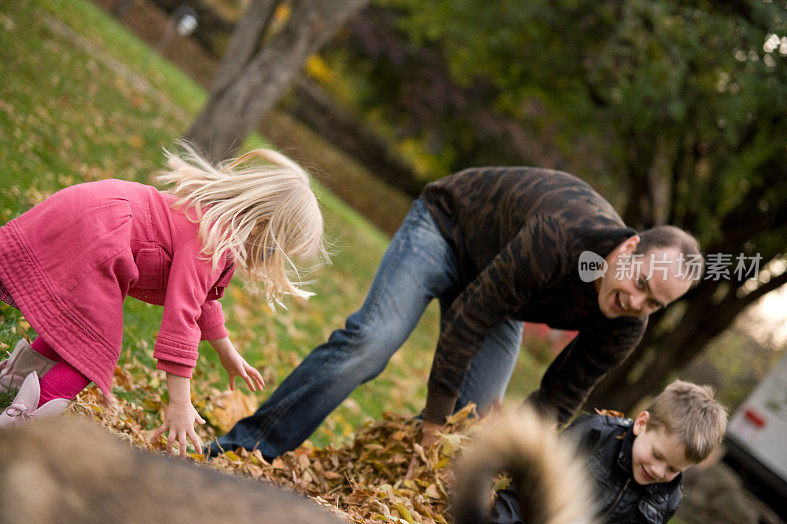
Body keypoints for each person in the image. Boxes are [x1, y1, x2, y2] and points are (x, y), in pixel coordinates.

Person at [208, 166, 702, 458]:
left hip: (505, 285)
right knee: (372, 343)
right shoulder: (562, 236)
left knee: (471, 425)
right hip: (446, 231)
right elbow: (471, 317)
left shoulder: (627, 323)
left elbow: (558, 397)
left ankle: (388, 487)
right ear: (631, 247)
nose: (636, 304)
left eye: (654, 304)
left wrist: (502, 454)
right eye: (639, 284)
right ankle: (248, 446)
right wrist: (432, 424)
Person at [0, 143, 328, 457]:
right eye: (275, 252)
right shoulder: (210, 243)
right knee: (90, 350)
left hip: (93, 213)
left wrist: (225, 351)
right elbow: (181, 317)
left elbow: (201, 298)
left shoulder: (211, 223)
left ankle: (12, 383)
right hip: (100, 236)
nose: (271, 263)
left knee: (75, 331)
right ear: (260, 227)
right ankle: (19, 428)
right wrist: (179, 402)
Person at [487, 380, 728, 524]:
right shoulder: (595, 434)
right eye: (657, 455)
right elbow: (526, 490)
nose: (658, 471)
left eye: (673, 470)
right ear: (642, 424)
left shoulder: (667, 499)